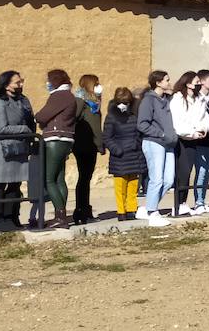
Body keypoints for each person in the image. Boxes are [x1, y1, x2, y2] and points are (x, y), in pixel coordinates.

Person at [0, 70, 33, 233]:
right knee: (0, 185)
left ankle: (13, 216)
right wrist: (24, 129)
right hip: (2, 149)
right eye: (17, 82)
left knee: (15, 185)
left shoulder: (22, 100)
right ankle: (0, 219)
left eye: (21, 81)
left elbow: (29, 118)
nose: (21, 84)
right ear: (6, 85)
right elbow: (1, 128)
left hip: (19, 148)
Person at [35, 69, 83, 228]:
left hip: (55, 139)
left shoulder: (59, 95)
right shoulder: (69, 96)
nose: (47, 84)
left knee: (49, 179)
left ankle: (60, 216)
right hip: (66, 139)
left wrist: (38, 119)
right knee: (59, 178)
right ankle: (61, 216)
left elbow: (42, 116)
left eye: (48, 80)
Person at [135, 70, 177, 226]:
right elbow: (142, 124)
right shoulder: (148, 101)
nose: (169, 82)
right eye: (166, 80)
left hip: (168, 143)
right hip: (154, 142)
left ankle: (147, 209)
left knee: (168, 180)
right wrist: (161, 134)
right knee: (156, 178)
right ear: (158, 83)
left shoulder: (166, 100)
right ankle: (153, 213)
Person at [170, 71, 209, 215]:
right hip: (181, 140)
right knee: (182, 172)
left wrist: (203, 129)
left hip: (193, 140)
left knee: (188, 172)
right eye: (197, 82)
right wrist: (190, 133)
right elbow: (177, 122)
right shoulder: (177, 99)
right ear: (188, 84)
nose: (199, 85)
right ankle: (178, 204)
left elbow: (203, 118)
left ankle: (183, 203)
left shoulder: (196, 99)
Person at [103, 88, 145, 221]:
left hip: (134, 154)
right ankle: (121, 211)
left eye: (126, 101)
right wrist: (117, 150)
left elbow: (139, 134)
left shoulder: (133, 116)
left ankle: (131, 209)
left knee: (133, 185)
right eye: (122, 101)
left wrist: (136, 145)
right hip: (119, 156)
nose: (124, 104)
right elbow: (107, 137)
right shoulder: (111, 117)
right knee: (120, 185)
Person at [72, 74, 104, 225]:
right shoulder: (80, 100)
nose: (99, 85)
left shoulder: (95, 102)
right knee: (84, 178)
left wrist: (100, 143)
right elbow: (74, 117)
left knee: (87, 178)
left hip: (92, 144)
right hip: (83, 144)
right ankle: (80, 210)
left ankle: (85, 208)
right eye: (96, 83)